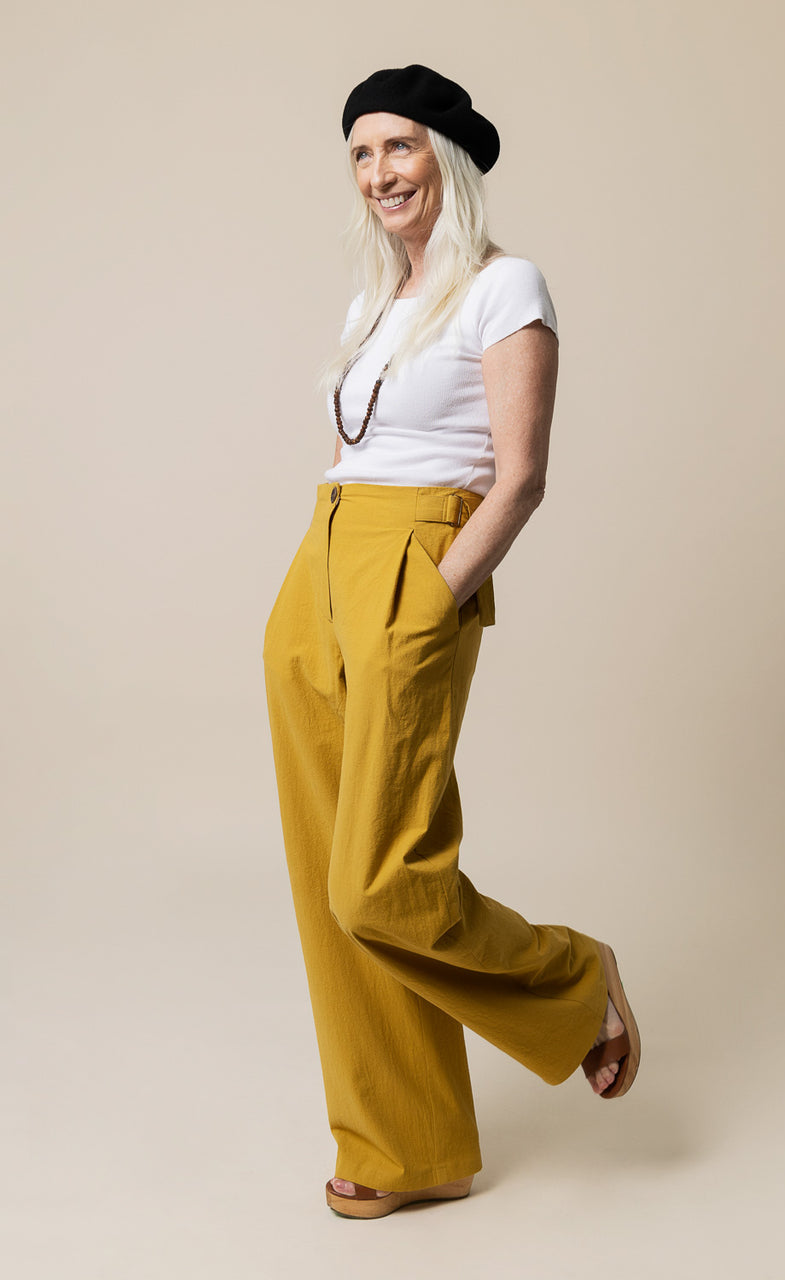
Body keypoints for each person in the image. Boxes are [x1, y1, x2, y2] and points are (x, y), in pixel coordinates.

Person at [263, 63, 640, 1220]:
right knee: (326, 885)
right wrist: (322, 582)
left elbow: (518, 476)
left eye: (399, 146)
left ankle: (574, 978)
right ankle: (404, 1142)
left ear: (449, 157)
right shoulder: (375, 300)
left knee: (378, 880)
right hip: (322, 564)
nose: (379, 171)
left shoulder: (505, 285)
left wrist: (433, 598)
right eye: (361, 153)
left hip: (414, 569)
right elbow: (358, 452)